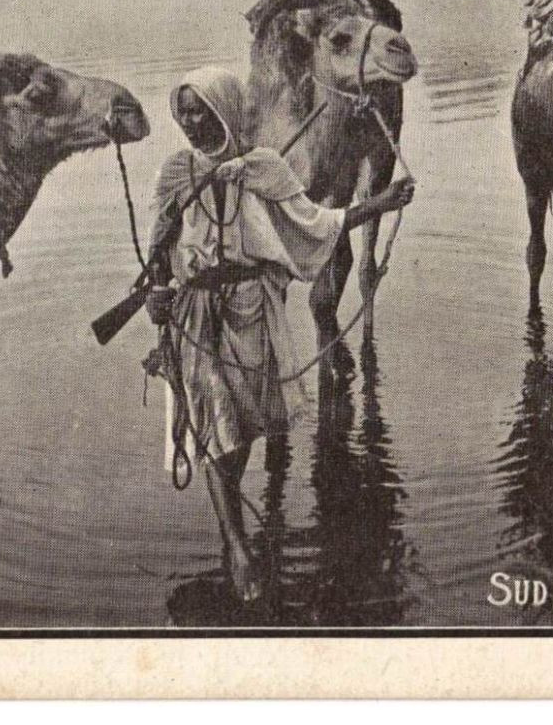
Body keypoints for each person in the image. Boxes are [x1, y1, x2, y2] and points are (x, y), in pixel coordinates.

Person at [144, 65, 414, 601]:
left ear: (225, 108)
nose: (193, 123)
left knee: (242, 431)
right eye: (185, 113)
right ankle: (238, 548)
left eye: (202, 110)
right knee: (217, 430)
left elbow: (317, 224)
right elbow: (158, 246)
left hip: (254, 312)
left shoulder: (264, 169)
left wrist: (381, 203)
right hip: (197, 314)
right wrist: (156, 294)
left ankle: (235, 536)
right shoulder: (177, 172)